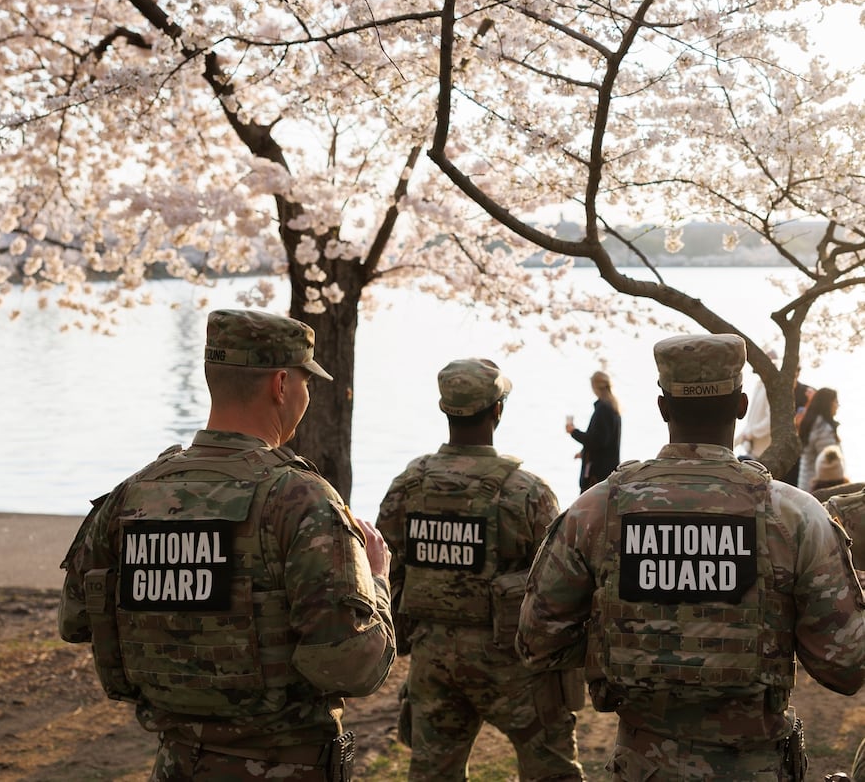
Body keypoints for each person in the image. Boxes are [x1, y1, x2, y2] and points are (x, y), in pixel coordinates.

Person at [58, 308, 395, 782]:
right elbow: (349, 666)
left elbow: (75, 621)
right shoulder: (300, 497)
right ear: (281, 385)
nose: (307, 394)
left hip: (177, 763)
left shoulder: (132, 494)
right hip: (286, 766)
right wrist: (377, 582)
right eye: (306, 382)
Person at [516, 333, 865, 781]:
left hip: (639, 766)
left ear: (663, 408)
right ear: (741, 406)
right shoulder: (795, 515)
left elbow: (536, 642)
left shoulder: (596, 510)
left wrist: (625, 637)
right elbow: (845, 666)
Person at [377, 358, 585, 782]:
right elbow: (558, 581)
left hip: (433, 659)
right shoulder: (526, 490)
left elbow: (385, 560)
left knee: (434, 772)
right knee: (552, 772)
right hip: (512, 660)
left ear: (446, 410)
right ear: (497, 411)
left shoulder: (409, 483)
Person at [567, 370, 621, 492]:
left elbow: (596, 441)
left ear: (594, 387)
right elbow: (604, 439)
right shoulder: (613, 407)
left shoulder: (603, 409)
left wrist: (573, 431)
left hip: (597, 474)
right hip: (608, 470)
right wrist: (583, 452)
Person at [797, 386, 840, 491]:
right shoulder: (822, 429)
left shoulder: (812, 424)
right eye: (835, 402)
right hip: (817, 488)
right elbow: (830, 462)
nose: (837, 406)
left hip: (806, 483)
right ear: (828, 404)